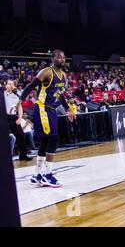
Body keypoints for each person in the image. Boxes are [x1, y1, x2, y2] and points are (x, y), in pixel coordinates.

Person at [20, 50, 76, 187]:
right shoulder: (46, 72)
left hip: (51, 110)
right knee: (53, 139)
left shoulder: (64, 76)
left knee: (45, 141)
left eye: (63, 57)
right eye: (58, 56)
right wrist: (20, 100)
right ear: (52, 58)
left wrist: (68, 109)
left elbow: (60, 95)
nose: (61, 59)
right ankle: (48, 174)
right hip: (42, 109)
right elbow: (30, 86)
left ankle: (38, 175)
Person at [4, 79, 31, 160]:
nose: (10, 85)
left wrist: (19, 118)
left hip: (13, 118)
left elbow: (19, 108)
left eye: (12, 84)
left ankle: (23, 155)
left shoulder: (17, 97)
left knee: (21, 136)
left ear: (14, 87)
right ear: (5, 85)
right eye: (9, 84)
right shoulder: (3, 94)